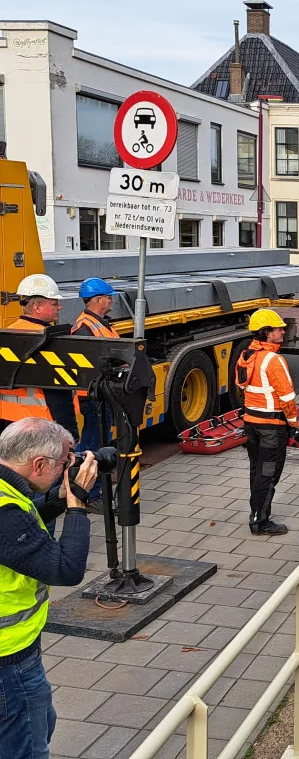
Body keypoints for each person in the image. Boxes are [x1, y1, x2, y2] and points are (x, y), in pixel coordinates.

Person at [0, 418, 98, 758]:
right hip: (8, 659)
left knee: (40, 721)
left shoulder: (7, 490)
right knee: (27, 747)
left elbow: (20, 531)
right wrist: (77, 504)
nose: (67, 468)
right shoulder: (4, 511)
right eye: (63, 463)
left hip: (16, 654)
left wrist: (58, 499)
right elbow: (65, 569)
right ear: (38, 464)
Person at [237, 310, 299, 536]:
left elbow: (241, 385)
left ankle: (256, 512)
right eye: (278, 328)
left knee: (257, 470)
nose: (282, 331)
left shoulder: (246, 355)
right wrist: (294, 424)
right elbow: (287, 397)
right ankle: (260, 521)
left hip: (251, 423)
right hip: (272, 427)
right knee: (269, 473)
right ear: (267, 333)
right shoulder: (274, 360)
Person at [0, 275, 78, 444]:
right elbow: (59, 394)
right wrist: (70, 433)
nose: (60, 307)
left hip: (11, 425)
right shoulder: (51, 339)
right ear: (37, 307)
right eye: (54, 303)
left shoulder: (7, 334)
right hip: (45, 427)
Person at [72, 278, 119, 511]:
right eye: (109, 297)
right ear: (98, 300)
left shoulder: (100, 324)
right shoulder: (85, 327)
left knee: (94, 443)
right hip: (93, 398)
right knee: (93, 447)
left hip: (101, 395)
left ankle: (85, 491)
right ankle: (90, 495)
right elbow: (90, 365)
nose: (111, 301)